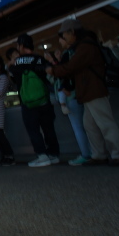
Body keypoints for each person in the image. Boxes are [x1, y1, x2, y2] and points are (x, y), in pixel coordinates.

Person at [46, 19, 119, 166]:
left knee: (104, 123)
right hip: (89, 92)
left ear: (73, 32)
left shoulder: (85, 47)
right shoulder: (83, 46)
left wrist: (53, 70)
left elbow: (71, 67)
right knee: (90, 125)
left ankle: (118, 154)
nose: (64, 38)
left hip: (94, 91)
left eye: (64, 35)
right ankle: (99, 154)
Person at [9, 33, 60, 167]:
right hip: (44, 100)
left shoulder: (17, 62)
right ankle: (53, 155)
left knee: (33, 129)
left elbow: (12, 76)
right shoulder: (39, 59)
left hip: (28, 102)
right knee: (49, 128)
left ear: (20, 46)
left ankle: (42, 156)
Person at [44, 31, 93, 166]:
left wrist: (52, 63)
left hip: (70, 95)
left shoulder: (70, 53)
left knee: (79, 127)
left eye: (62, 39)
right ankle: (93, 152)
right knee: (87, 126)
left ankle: (86, 154)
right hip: (79, 93)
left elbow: (63, 72)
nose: (61, 42)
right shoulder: (74, 53)